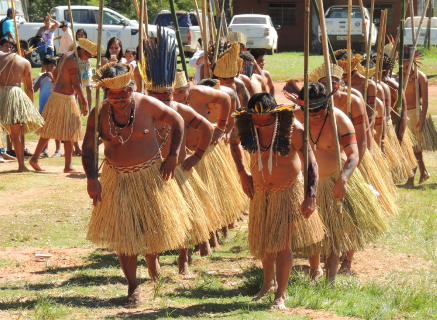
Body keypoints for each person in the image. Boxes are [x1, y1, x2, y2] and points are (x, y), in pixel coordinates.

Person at [84, 62, 191, 305]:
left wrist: (172, 155)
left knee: (150, 230)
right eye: (113, 95)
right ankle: (133, 286)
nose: (120, 98)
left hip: (150, 175)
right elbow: (88, 148)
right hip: (117, 178)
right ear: (106, 94)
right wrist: (92, 178)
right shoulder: (98, 114)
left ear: (132, 89)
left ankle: (153, 261)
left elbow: (178, 122)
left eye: (124, 93)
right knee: (125, 235)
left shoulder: (147, 105)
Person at [230, 93, 324, 309]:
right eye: (258, 121)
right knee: (265, 243)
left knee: (282, 245)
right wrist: (243, 173)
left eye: (267, 121)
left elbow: (311, 162)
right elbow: (233, 142)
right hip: (260, 191)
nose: (262, 125)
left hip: (287, 190)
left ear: (276, 114)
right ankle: (268, 284)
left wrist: (311, 195)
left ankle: (281, 295)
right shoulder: (244, 127)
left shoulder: (294, 129)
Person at [291, 82, 388, 284]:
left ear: (327, 104)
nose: (316, 115)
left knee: (334, 231)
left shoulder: (339, 119)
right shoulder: (294, 119)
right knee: (312, 229)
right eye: (311, 111)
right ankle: (314, 269)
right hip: (308, 182)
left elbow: (353, 154)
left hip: (336, 179)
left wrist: (343, 179)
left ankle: (331, 279)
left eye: (320, 111)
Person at [141, 32, 217, 273]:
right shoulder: (141, 110)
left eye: (167, 96)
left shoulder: (180, 110)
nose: (163, 101)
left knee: (184, 217)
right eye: (157, 97)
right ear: (149, 95)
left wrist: (197, 156)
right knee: (150, 219)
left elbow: (207, 128)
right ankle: (152, 261)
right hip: (149, 174)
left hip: (179, 174)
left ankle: (183, 258)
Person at [29, 38, 96, 173]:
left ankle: (38, 159)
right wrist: (84, 101)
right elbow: (76, 85)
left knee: (56, 130)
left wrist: (57, 87)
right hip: (64, 98)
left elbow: (54, 74)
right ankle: (65, 165)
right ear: (82, 50)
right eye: (88, 54)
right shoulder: (73, 60)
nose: (88, 57)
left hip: (58, 96)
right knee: (68, 130)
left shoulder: (66, 55)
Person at [0, 38, 44, 171]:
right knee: (15, 135)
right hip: (14, 95)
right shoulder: (25, 62)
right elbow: (29, 87)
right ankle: (21, 165)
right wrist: (30, 106)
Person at [401, 47, 437, 187]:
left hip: (416, 114)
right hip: (405, 115)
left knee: (413, 148)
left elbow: (426, 100)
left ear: (413, 63)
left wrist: (422, 119)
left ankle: (410, 180)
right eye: (403, 66)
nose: (405, 69)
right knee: (414, 148)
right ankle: (424, 172)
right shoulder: (399, 77)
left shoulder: (420, 77)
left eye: (407, 66)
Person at [33, 55, 62, 158]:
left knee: (56, 127)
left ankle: (58, 149)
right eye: (47, 66)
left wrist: (53, 78)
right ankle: (44, 149)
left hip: (55, 106)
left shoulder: (58, 76)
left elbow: (58, 88)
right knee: (44, 129)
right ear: (44, 66)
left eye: (52, 66)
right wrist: (41, 78)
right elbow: (34, 89)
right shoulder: (41, 75)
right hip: (43, 106)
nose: (49, 69)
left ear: (55, 66)